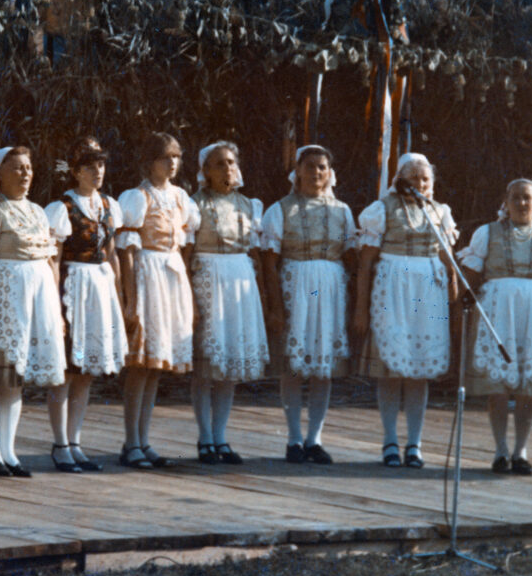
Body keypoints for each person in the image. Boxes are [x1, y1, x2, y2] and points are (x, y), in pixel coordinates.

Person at [457, 179, 532, 475]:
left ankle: (520, 451)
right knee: (498, 386)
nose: (522, 203)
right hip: (498, 311)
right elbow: (470, 276)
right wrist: (459, 307)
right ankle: (500, 450)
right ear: (506, 203)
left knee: (527, 388)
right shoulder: (487, 233)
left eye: (527, 198)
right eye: (516, 198)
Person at [355, 152, 458, 469]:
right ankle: (389, 441)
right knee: (391, 371)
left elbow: (447, 257)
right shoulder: (382, 209)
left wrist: (453, 285)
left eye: (425, 178)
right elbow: (366, 262)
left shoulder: (439, 211)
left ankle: (414, 443)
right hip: (393, 289)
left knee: (419, 370)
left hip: (428, 292)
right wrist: (360, 309)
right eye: (414, 177)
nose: (420, 183)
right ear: (400, 179)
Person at [262, 144, 357, 465]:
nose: (316, 172)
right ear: (298, 171)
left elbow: (351, 256)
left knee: (322, 367)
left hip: (330, 290)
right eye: (310, 166)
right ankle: (293, 438)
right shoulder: (281, 209)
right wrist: (276, 307)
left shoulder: (342, 211)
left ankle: (314, 438)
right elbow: (269, 262)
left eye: (322, 167)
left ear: (329, 173)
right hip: (296, 287)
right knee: (294, 365)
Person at [0, 146, 66, 477]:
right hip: (6, 294)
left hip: (37, 297)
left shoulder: (38, 211)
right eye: (16, 168)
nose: (25, 174)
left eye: (28, 168)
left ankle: (9, 450)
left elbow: (50, 259)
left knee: (15, 380)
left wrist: (55, 308)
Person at [45, 138, 128, 472]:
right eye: (90, 166)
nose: (98, 172)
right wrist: (55, 303)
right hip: (74, 287)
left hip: (100, 288)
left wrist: (118, 296)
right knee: (66, 371)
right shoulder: (62, 207)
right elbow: (53, 259)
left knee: (86, 373)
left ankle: (75, 441)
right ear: (76, 171)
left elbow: (112, 253)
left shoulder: (108, 205)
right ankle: (59, 444)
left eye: (101, 165)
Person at [117, 132, 200, 469]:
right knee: (140, 364)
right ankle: (130, 442)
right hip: (147, 275)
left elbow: (185, 244)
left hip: (171, 276)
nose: (172, 163)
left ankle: (144, 439)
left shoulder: (180, 197)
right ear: (150, 162)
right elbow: (127, 251)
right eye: (166, 157)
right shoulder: (137, 197)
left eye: (176, 156)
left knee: (156, 366)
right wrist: (131, 298)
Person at [184, 141, 268, 464]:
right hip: (209, 279)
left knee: (229, 365)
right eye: (219, 164)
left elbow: (255, 253)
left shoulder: (249, 205)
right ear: (205, 170)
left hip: (239, 281)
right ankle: (204, 436)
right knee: (207, 365)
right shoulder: (194, 205)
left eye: (231, 162)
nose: (227, 169)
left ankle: (220, 436)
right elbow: (186, 253)